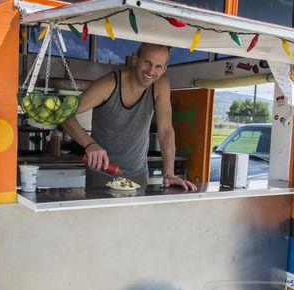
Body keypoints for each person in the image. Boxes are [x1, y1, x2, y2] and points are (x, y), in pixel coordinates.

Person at [61, 43, 196, 191]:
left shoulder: (160, 84)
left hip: (138, 175)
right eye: (147, 62)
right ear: (135, 59)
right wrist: (90, 144)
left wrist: (169, 172)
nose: (151, 70)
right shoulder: (109, 84)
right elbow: (64, 114)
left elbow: (165, 130)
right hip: (102, 174)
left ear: (164, 69)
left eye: (158, 66)